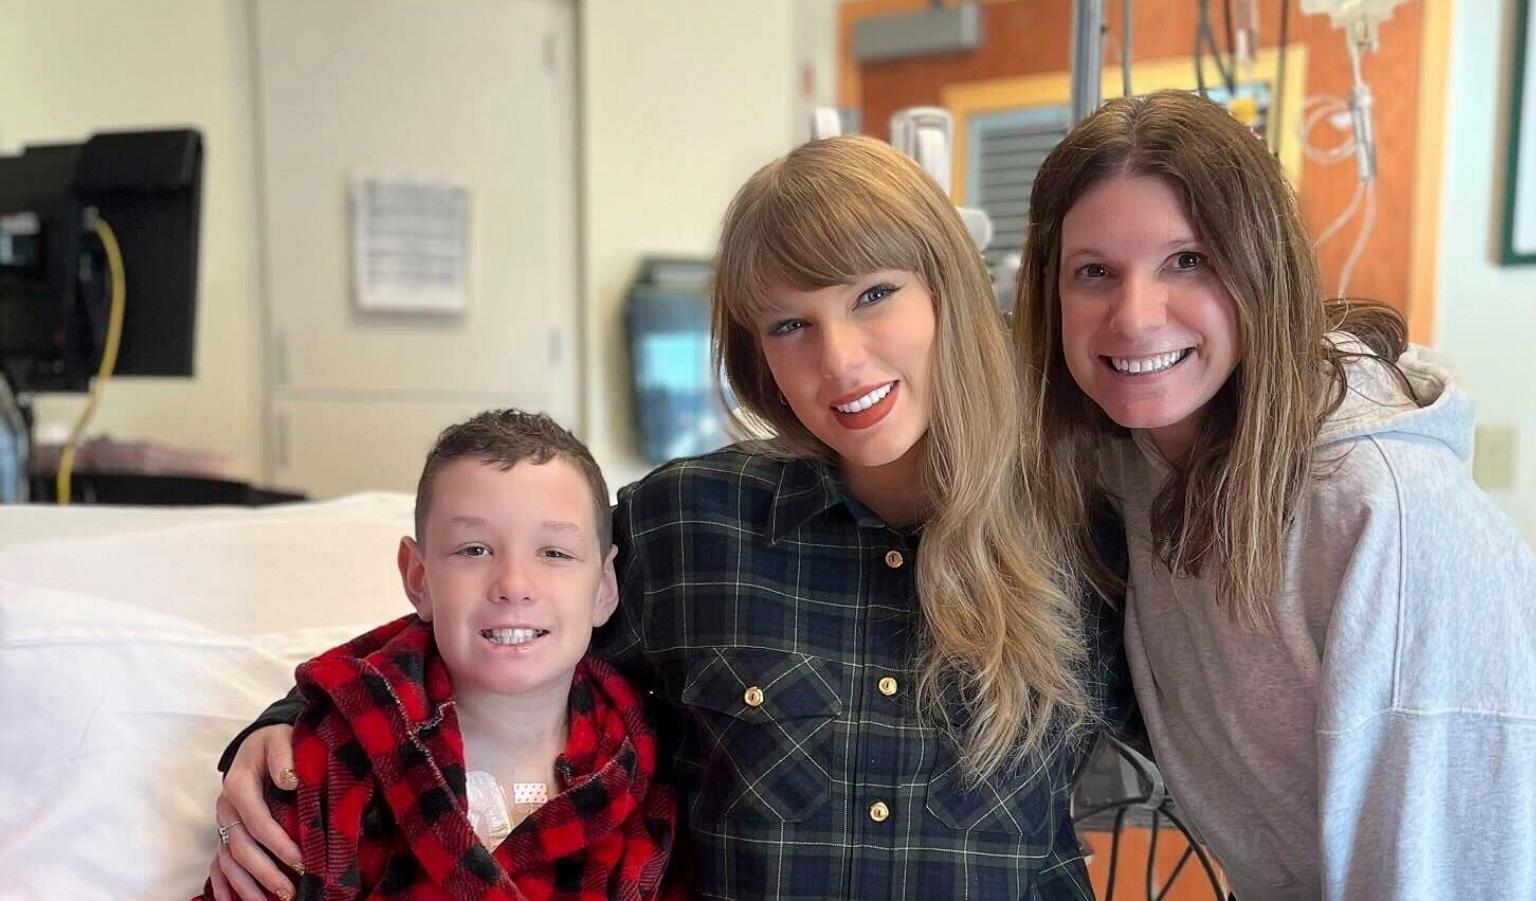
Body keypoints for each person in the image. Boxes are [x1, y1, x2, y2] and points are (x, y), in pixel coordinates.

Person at [204, 135, 1130, 901]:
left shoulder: (1084, 530)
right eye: (789, 325)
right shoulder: (696, 527)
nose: (841, 360)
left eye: (874, 295)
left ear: (948, 292)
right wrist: (286, 724)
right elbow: (503, 615)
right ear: (756, 356)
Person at [1012, 89, 1536, 900]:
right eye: (1094, 273)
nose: (1135, 316)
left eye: (1189, 261)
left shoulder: (1383, 508)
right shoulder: (1132, 464)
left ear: (1263, 270)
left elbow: (1450, 871)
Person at [198, 410, 676, 901]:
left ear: (603, 587)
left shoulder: (660, 771)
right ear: (418, 579)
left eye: (554, 553)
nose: (513, 585)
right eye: (474, 550)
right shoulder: (329, 760)